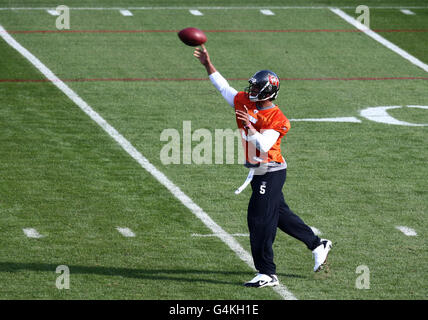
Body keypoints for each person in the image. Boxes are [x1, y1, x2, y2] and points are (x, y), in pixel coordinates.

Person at [193, 45, 332, 288]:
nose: (252, 90)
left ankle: (267, 273)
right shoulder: (245, 101)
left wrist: (250, 126)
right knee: (280, 215)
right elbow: (224, 87)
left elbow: (265, 144)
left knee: (258, 220)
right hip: (259, 171)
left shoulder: (278, 118)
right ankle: (317, 244)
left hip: (271, 171)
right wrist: (208, 64)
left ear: (267, 92)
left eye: (257, 87)